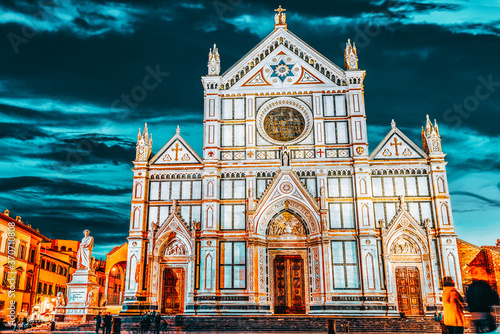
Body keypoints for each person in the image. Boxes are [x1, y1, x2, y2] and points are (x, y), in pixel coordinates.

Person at [466, 266, 499, 333]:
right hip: (484, 314)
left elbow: (468, 301)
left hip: (474, 316)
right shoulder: (485, 286)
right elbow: (493, 299)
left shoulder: (470, 287)